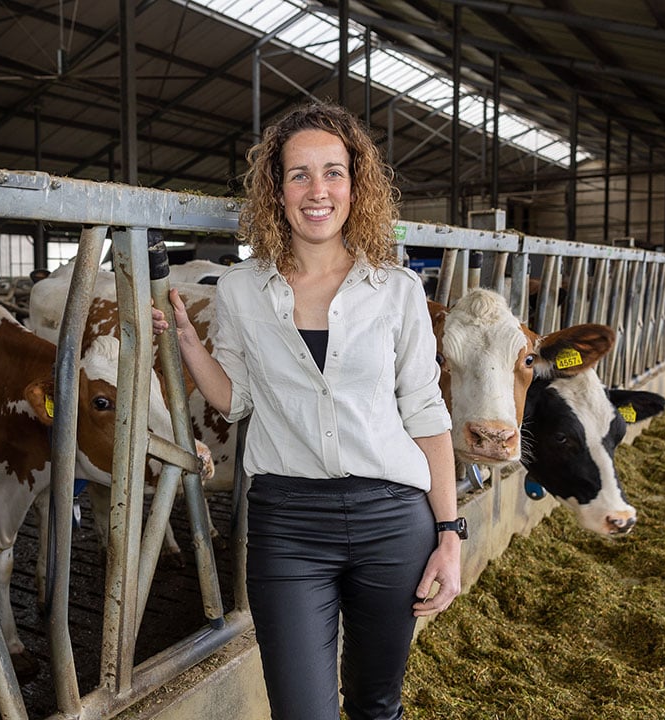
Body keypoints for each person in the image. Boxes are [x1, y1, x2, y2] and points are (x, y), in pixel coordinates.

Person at [152, 101, 462, 720]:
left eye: (333, 172)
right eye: (299, 174)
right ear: (277, 189)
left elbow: (427, 413)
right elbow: (234, 399)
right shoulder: (241, 289)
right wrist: (187, 341)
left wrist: (450, 536)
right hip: (288, 527)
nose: (317, 190)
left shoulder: (396, 290)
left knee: (377, 705)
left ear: (356, 185)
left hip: (393, 522)